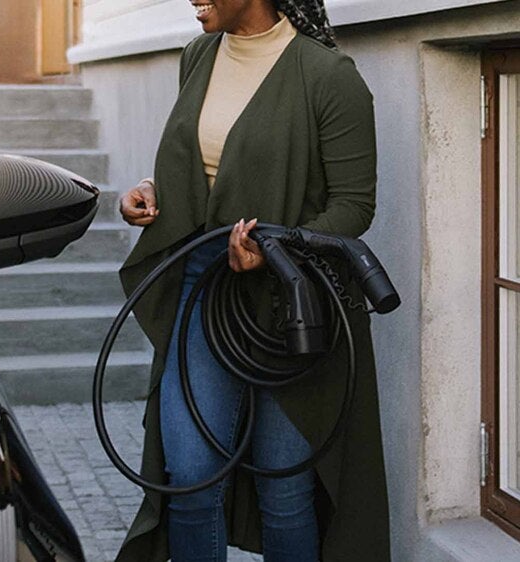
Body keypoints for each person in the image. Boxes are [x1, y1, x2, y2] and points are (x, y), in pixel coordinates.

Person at [115, 1, 389, 561]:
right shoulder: (199, 55)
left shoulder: (329, 76)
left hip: (290, 302)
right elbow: (210, 164)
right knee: (189, 475)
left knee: (283, 486)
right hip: (204, 289)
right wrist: (150, 189)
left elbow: (354, 206)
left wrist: (274, 249)